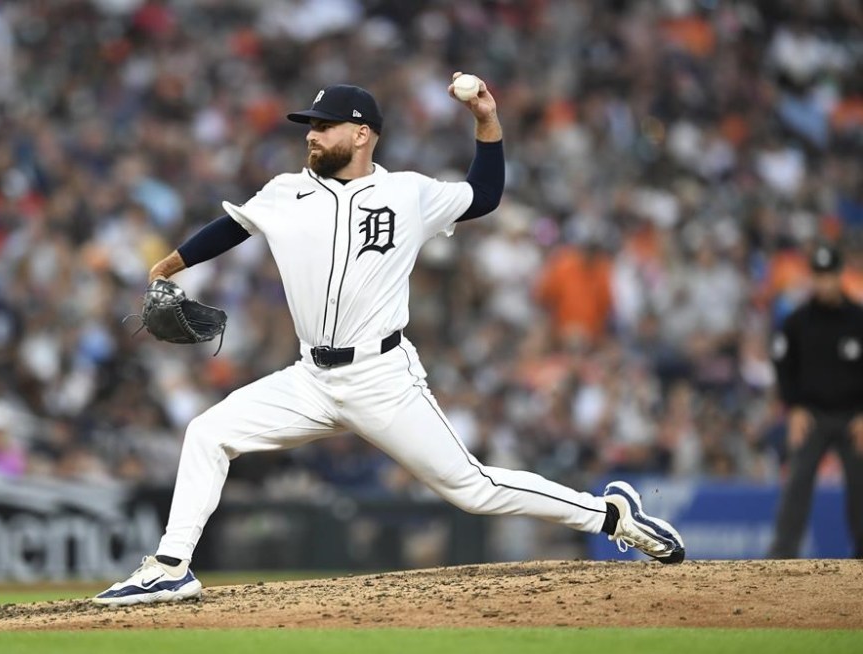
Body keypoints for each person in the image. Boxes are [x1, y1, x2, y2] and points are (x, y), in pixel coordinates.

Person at [93, 75, 685, 605]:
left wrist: (485, 119)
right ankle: (171, 566)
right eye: (310, 127)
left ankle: (611, 517)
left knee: (473, 490)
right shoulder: (283, 191)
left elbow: (485, 194)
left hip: (382, 378)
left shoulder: (410, 193)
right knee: (208, 432)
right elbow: (232, 226)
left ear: (362, 133)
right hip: (309, 378)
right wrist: (166, 266)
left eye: (324, 127)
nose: (312, 136)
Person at [769, 244, 863, 558]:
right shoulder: (797, 322)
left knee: (861, 486)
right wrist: (793, 407)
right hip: (811, 414)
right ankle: (780, 560)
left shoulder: (858, 320)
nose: (825, 283)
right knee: (797, 481)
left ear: (840, 275)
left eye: (830, 275)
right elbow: (784, 367)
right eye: (819, 276)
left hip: (854, 417)